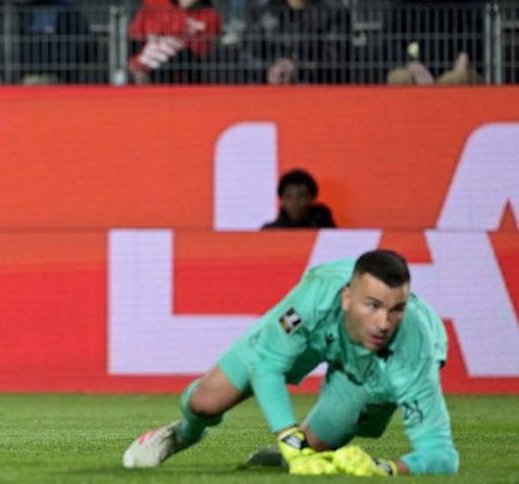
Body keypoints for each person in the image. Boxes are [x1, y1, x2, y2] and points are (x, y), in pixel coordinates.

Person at [122, 250, 459, 476]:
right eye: (372, 305)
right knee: (203, 402)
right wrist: (288, 437)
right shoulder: (313, 299)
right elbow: (267, 365)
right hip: (318, 334)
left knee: (314, 452)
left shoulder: (415, 353)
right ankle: (181, 434)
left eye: (396, 309)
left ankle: (287, 455)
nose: (384, 323)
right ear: (347, 298)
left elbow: (441, 454)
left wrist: (384, 469)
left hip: (369, 371)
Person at [244, 0, 351, 84]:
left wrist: (297, 69)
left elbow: (336, 59)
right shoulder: (261, 10)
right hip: (268, 89)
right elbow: (248, 55)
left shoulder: (335, 12)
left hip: (316, 90)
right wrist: (270, 70)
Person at [128, 0, 222, 84]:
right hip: (143, 68)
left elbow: (197, 55)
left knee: (173, 49)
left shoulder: (211, 16)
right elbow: (135, 37)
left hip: (181, 79)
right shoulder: (155, 1)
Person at [262, 169, 336, 229]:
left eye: (301, 196)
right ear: (282, 200)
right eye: (289, 196)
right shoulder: (270, 231)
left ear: (311, 198)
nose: (295, 202)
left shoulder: (325, 230)